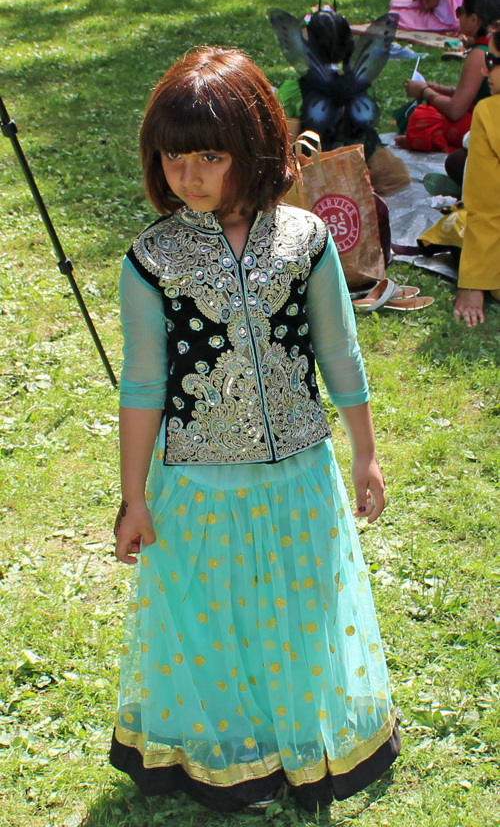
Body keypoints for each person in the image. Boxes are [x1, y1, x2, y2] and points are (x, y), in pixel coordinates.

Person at [109, 47, 400, 813]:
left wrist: (365, 452)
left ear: (255, 148)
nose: (190, 175)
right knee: (212, 623)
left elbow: (337, 346)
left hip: (299, 475)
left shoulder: (305, 240)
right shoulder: (150, 262)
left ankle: (299, 742)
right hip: (197, 483)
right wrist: (132, 497)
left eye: (210, 155)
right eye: (175, 157)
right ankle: (225, 748)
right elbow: (142, 384)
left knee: (301, 620)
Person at [396, 0, 490, 152]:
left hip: (489, 123)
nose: (457, 16)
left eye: (460, 11)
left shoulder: (480, 52)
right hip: (488, 114)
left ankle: (421, 138)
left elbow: (455, 111)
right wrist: (439, 89)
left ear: (474, 19)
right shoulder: (489, 46)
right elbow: (476, 92)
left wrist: (424, 92)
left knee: (422, 118)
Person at [454, 29, 500, 324]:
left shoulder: (489, 111)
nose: (485, 70)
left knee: (456, 223)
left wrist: (472, 283)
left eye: (492, 60)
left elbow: (486, 205)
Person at [389, 0, 462, 32]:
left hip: (444, 20)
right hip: (438, 7)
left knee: (395, 15)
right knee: (396, 2)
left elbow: (431, 4)